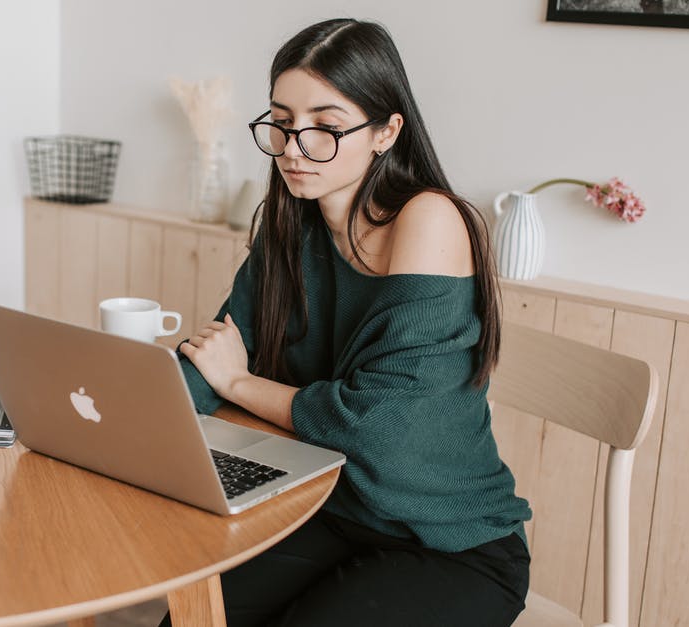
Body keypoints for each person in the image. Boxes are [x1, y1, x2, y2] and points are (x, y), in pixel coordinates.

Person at [163, 18, 532, 627]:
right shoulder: (290, 222)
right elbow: (219, 353)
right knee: (189, 618)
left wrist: (239, 386)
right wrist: (132, 413)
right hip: (327, 508)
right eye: (281, 123)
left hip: (446, 540)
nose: (294, 147)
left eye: (327, 128)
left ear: (387, 132)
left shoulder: (430, 218)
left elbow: (378, 427)